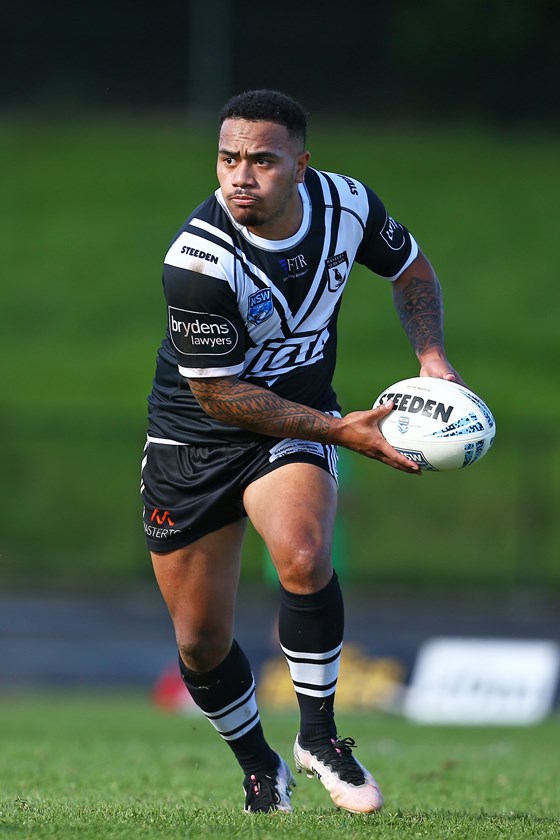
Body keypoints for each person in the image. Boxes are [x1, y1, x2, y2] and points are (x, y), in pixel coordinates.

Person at [141, 89, 464, 814]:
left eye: (262, 159)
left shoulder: (347, 207)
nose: (240, 176)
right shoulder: (197, 260)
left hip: (296, 425)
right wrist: (344, 431)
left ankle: (318, 736)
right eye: (228, 159)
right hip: (193, 439)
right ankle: (259, 765)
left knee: (305, 552)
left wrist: (433, 358)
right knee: (199, 642)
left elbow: (411, 270)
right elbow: (220, 396)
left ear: (301, 166)